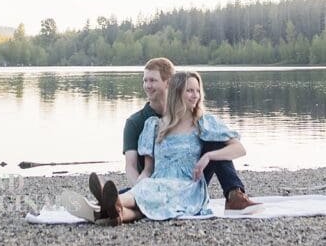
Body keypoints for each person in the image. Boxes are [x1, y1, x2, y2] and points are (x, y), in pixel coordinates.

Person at [75, 70, 251, 224]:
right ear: (176, 93)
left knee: (150, 192)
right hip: (158, 183)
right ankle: (115, 213)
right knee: (146, 192)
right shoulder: (154, 125)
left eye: (197, 90)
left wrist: (208, 157)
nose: (195, 95)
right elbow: (148, 169)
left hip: (187, 187)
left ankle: (110, 203)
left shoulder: (204, 123)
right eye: (190, 90)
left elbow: (239, 149)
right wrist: (139, 184)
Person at [122, 57, 256, 210]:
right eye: (145, 80)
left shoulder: (201, 121)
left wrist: (208, 156)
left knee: (215, 138)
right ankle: (111, 205)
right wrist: (140, 188)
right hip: (155, 180)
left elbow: (238, 148)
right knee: (135, 195)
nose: (147, 86)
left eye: (152, 80)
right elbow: (132, 166)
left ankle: (234, 194)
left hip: (191, 176)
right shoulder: (140, 122)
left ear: (169, 84)